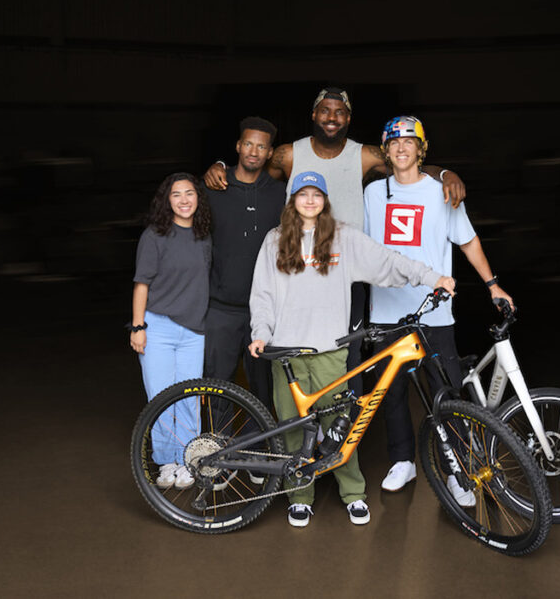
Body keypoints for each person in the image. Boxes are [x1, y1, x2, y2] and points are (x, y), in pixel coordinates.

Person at [206, 88, 467, 394]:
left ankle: (343, 437)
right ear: (313, 115)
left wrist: (446, 173)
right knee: (295, 349)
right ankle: (301, 430)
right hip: (298, 269)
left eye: (339, 111)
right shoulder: (288, 155)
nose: (332, 117)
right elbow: (252, 169)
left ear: (348, 118)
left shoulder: (364, 155)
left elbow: (407, 165)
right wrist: (220, 167)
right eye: (325, 111)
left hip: (345, 270)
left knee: (348, 354)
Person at [248, 171, 456, 528]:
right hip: (286, 349)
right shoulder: (275, 240)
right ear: (292, 200)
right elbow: (262, 294)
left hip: (330, 348)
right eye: (303, 194)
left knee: (339, 426)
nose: (310, 200)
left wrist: (431, 277)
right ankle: (299, 497)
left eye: (317, 194)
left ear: (325, 200)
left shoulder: (343, 237)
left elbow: (388, 261)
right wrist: (261, 333)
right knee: (292, 426)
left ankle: (353, 494)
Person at [363, 116, 515, 506]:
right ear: (386, 151)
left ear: (421, 149)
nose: (401, 149)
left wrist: (492, 284)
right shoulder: (373, 194)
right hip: (386, 313)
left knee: (445, 393)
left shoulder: (440, 192)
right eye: (393, 143)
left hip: (434, 313)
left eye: (409, 142)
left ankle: (457, 471)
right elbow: (359, 247)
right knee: (391, 392)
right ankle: (402, 461)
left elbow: (468, 242)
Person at [129, 172, 212, 491]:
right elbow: (142, 284)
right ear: (167, 200)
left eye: (189, 193)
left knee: (189, 399)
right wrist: (138, 327)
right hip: (158, 327)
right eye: (176, 194)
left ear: (197, 198)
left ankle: (188, 460)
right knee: (161, 397)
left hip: (193, 331)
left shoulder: (204, 235)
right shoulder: (155, 235)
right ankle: (166, 462)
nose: (184, 200)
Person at [203, 117, 286, 410]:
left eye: (261, 146)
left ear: (270, 153)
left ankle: (258, 450)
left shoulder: (280, 194)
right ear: (238, 146)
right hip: (221, 309)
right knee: (217, 385)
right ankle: (217, 449)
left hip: (264, 310)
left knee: (263, 389)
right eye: (248, 143)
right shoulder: (213, 188)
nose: (253, 151)